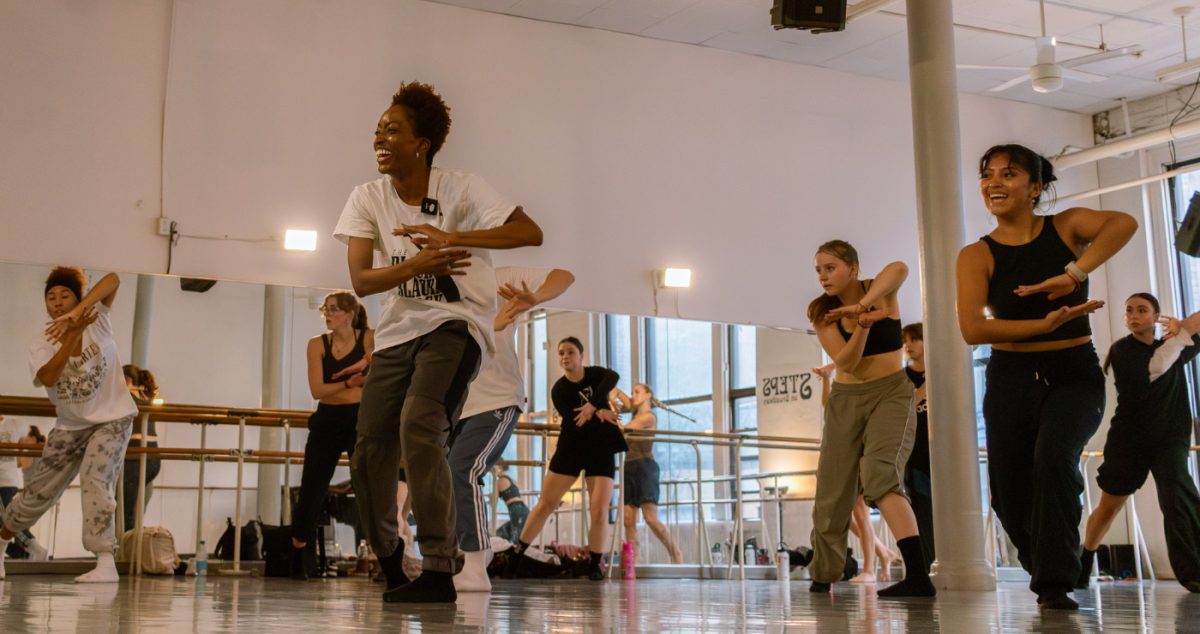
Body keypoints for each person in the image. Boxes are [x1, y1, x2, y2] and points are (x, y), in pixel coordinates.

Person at [334, 81, 543, 603]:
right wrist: (419, 263)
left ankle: (439, 565)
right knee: (368, 448)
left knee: (419, 425)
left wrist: (453, 239)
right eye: (378, 130)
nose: (380, 137)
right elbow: (361, 281)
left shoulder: (463, 189)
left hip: (456, 327)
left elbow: (529, 232)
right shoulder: (367, 197)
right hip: (398, 335)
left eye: (393, 130)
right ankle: (387, 555)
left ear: (422, 143)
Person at [956, 143, 1136, 610]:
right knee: (1009, 493)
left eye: (1009, 174)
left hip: (1073, 372)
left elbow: (1124, 224)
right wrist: (1043, 322)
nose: (994, 182)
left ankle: (1055, 583)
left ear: (1035, 188)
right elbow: (974, 328)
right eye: (987, 174)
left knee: (1054, 459)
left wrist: (1074, 273)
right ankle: (1052, 565)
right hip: (1010, 375)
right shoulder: (976, 255)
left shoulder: (1067, 225)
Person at [806, 240, 933, 597]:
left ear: (853, 268)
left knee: (881, 474)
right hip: (847, 397)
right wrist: (861, 324)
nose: (823, 276)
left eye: (830, 268)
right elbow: (846, 363)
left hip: (890, 392)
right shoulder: (821, 311)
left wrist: (863, 306)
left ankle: (918, 576)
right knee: (832, 489)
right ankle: (824, 573)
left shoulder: (881, 291)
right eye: (818, 270)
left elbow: (900, 267)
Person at [0, 268, 138, 583]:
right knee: (38, 492)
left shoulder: (99, 318)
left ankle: (105, 560)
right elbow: (47, 377)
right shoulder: (42, 341)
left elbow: (113, 279)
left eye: (65, 296)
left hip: (113, 419)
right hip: (71, 425)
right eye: (51, 297)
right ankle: (2, 540)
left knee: (96, 480)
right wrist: (72, 333)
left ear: (78, 298)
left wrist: (81, 312)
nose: (58, 303)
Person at [450, 267, 575, 592]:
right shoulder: (431, 284)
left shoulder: (499, 276)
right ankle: (454, 557)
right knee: (440, 478)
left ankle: (475, 562)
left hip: (495, 398)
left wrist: (536, 297)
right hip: (453, 404)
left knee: (462, 468)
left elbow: (563, 276)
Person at [1078, 294, 1200, 593]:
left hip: (1169, 440)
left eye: (1142, 310)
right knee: (1109, 507)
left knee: (1179, 496)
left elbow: (1192, 331)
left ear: (1155, 316)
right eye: (1129, 310)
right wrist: (1181, 331)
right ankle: (1085, 560)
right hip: (1130, 439)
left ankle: (1193, 572)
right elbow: (1154, 369)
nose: (1133, 315)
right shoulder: (1122, 351)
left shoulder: (1172, 347)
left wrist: (1177, 324)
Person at [504, 337, 626, 581]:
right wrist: (599, 410)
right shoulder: (559, 389)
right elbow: (575, 419)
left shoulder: (596, 374)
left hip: (601, 448)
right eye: (561, 353)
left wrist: (593, 406)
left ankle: (594, 561)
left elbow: (613, 377)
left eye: (570, 352)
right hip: (571, 447)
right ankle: (516, 554)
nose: (565, 357)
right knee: (546, 503)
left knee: (599, 509)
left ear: (581, 355)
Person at [289, 292, 373, 580]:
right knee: (312, 488)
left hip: (359, 419)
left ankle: (378, 555)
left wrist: (352, 385)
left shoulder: (369, 339)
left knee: (366, 486)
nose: (327, 313)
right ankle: (298, 555)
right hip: (326, 420)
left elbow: (376, 377)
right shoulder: (317, 344)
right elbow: (318, 391)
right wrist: (350, 381)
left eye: (333, 309)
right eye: (325, 308)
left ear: (348, 314)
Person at [813, 363, 897, 584]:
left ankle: (870, 568)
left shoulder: (866, 393)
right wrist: (826, 378)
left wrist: (830, 371)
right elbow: (830, 408)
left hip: (858, 456)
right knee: (844, 516)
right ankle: (883, 552)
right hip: (844, 456)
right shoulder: (845, 399)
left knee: (860, 514)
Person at [611, 383, 683, 564]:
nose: (633, 396)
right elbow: (627, 404)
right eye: (632, 392)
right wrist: (614, 391)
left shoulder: (648, 418)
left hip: (645, 467)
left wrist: (612, 409)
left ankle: (675, 552)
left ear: (648, 395)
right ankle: (634, 561)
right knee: (628, 520)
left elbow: (623, 431)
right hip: (629, 466)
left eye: (637, 392)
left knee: (650, 518)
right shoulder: (636, 412)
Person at [901, 323, 934, 571]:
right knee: (923, 513)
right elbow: (901, 411)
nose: (909, 346)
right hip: (916, 457)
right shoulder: (903, 378)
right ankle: (925, 567)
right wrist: (923, 389)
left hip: (943, 457)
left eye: (915, 340)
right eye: (906, 341)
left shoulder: (942, 370)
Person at [121, 364, 162, 533]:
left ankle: (125, 551)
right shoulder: (146, 396)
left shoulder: (126, 396)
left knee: (126, 508)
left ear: (127, 380)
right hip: (154, 456)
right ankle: (132, 545)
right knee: (131, 505)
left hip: (137, 457)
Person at [0, 417, 47, 562]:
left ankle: (33, 547)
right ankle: (22, 553)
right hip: (6, 478)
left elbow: (32, 439)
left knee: (8, 519)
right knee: (4, 521)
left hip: (6, 481)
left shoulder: (12, 423)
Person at [494, 468, 530, 544]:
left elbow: (494, 500)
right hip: (524, 509)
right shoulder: (512, 480)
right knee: (505, 533)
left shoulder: (498, 481)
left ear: (499, 467)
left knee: (516, 539)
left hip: (515, 510)